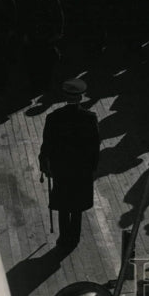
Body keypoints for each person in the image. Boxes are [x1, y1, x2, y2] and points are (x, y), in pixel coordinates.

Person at [38, 79, 100, 249]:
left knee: (64, 203)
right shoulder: (90, 118)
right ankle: (75, 236)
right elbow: (95, 145)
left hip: (62, 168)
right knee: (78, 204)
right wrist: (93, 167)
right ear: (81, 97)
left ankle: (64, 238)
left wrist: (44, 164)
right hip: (81, 169)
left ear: (65, 96)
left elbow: (47, 144)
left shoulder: (54, 117)